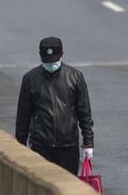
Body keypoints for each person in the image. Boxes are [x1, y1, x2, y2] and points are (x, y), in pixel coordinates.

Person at [14, 36, 94, 174]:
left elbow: (84, 112)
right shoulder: (30, 79)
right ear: (40, 56)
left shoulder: (75, 77)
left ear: (62, 54)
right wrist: (20, 144)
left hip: (68, 146)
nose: (51, 64)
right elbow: (23, 116)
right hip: (41, 146)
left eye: (54, 60)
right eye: (47, 61)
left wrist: (88, 142)